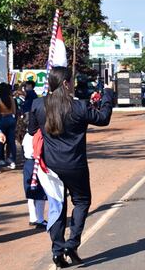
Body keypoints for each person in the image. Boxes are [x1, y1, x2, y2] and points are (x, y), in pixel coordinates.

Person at [27, 66, 114, 267]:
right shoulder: (80, 107)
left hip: (50, 166)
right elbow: (104, 118)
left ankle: (58, 250)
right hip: (75, 165)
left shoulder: (39, 104)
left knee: (58, 206)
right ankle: (72, 243)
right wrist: (108, 94)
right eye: (72, 82)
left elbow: (32, 130)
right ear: (66, 83)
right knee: (82, 201)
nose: (73, 85)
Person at [20, 125, 47, 229]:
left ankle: (32, 218)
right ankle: (40, 219)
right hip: (36, 164)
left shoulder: (26, 135)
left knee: (31, 193)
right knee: (40, 192)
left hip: (28, 164)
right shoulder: (37, 135)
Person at [0, 83, 18, 170]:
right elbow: (14, 111)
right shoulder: (11, 99)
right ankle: (12, 161)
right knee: (11, 142)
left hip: (1, 120)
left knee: (0, 141)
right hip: (11, 119)